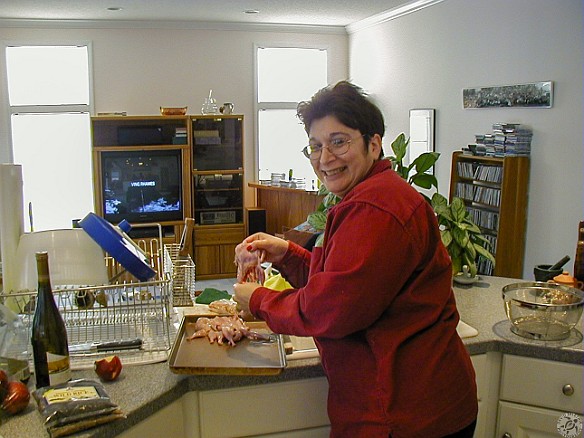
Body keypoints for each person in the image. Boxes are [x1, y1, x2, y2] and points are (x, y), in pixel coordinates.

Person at [233, 81, 478, 437]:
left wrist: (256, 299)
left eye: (338, 142)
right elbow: (345, 282)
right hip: (426, 406)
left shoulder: (375, 208)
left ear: (373, 143)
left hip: (403, 415)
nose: (324, 158)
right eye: (316, 146)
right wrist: (287, 253)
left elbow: (328, 309)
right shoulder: (374, 194)